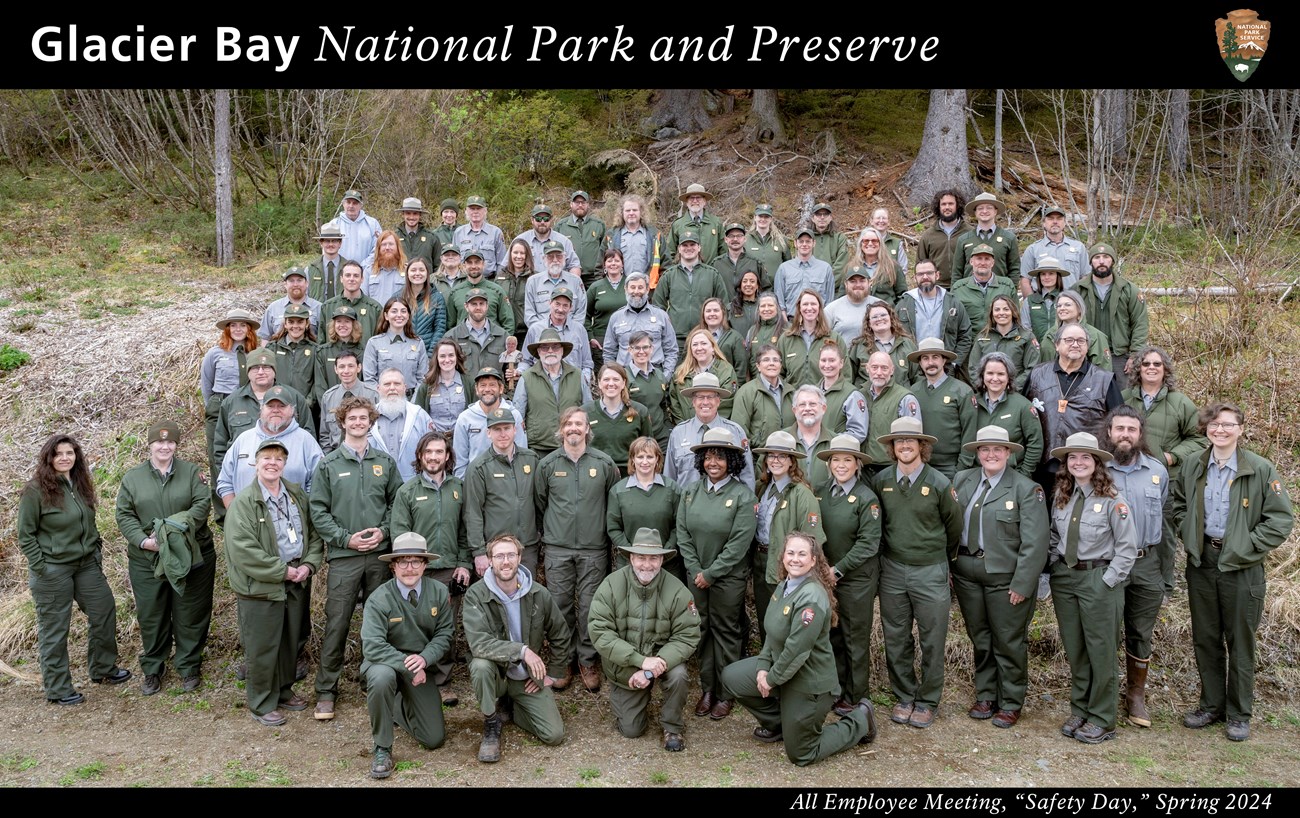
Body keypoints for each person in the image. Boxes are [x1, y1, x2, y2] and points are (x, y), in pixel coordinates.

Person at [1171, 402, 1294, 742]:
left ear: (1241, 429)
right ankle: (1211, 705)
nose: (1220, 430)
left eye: (1227, 424)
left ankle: (1239, 714)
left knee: (1240, 642)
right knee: (1206, 639)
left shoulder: (1260, 469)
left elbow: (1281, 520)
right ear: (1206, 429)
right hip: (1202, 563)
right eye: (1214, 424)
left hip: (1242, 567)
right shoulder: (1195, 464)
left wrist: (1244, 546)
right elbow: (1178, 504)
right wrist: (1189, 533)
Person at [721, 532, 876, 764]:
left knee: (802, 753)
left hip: (809, 681)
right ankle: (781, 725)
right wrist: (763, 667)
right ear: (783, 556)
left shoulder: (811, 597)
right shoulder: (786, 585)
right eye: (790, 553)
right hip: (783, 669)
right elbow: (773, 636)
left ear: (813, 560)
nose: (795, 559)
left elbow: (797, 651)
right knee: (732, 677)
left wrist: (770, 679)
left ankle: (860, 721)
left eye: (802, 554)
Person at [307, 395, 402, 720]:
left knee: (379, 624)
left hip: (379, 557)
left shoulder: (384, 462)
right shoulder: (329, 464)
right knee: (338, 622)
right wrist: (343, 538)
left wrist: (384, 532)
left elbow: (396, 502)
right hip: (345, 558)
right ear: (343, 422)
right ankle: (326, 690)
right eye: (353, 418)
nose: (359, 423)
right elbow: (317, 509)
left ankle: (372, 679)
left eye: (364, 418)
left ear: (370, 422)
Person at [19, 435, 130, 704]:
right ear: (49, 458)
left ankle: (102, 668)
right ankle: (58, 688)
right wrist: (41, 566)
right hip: (53, 570)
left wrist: (96, 551)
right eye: (58, 454)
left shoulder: (79, 484)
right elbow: (25, 535)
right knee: (55, 629)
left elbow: (88, 524)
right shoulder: (35, 490)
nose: (65, 458)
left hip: (85, 564)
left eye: (70, 453)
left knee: (103, 610)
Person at [952, 426, 1049, 730]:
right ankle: (986, 694)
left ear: (1009, 453)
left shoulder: (1025, 488)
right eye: (984, 449)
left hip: (1005, 577)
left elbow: (1035, 543)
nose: (990, 455)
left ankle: (1010, 701)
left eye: (997, 449)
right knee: (980, 638)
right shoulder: (962, 481)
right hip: (967, 573)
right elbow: (949, 525)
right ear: (977, 453)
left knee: (1008, 640)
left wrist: (1023, 583)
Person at [871, 417, 963, 729]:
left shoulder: (939, 483)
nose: (905, 446)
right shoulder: (881, 481)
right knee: (896, 636)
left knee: (932, 638)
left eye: (911, 441)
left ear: (922, 446)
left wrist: (938, 558)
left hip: (930, 570)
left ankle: (927, 700)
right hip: (893, 570)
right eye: (899, 441)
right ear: (892, 447)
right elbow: (879, 526)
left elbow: (954, 528)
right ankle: (905, 695)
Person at [224, 438, 323, 727]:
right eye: (266, 457)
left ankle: (283, 690)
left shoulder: (295, 495)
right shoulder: (244, 503)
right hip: (262, 587)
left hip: (296, 580)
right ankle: (261, 702)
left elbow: (313, 534)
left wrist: (308, 564)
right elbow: (243, 550)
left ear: (284, 464)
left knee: (290, 642)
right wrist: (282, 571)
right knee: (263, 646)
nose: (272, 463)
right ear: (255, 463)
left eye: (278, 458)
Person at [1048, 431, 1139, 744]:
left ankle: (1103, 718)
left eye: (1085, 457)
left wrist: (1107, 582)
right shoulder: (1062, 495)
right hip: (1066, 578)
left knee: (1100, 651)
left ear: (1097, 462)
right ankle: (1081, 708)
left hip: (1098, 579)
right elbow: (1053, 537)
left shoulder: (1113, 499)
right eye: (1072, 457)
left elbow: (1128, 548)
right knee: (1076, 648)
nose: (1078, 462)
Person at [114, 421, 215, 696]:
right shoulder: (132, 478)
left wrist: (174, 533)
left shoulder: (192, 472)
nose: (164, 447)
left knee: (190, 612)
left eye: (170, 442)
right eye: (159, 442)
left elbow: (201, 505)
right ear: (149, 445)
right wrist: (144, 541)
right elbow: (124, 514)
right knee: (152, 614)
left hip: (191, 554)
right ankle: (153, 668)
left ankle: (189, 666)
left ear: (176, 446)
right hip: (147, 559)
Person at [588, 527, 702, 752]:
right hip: (627, 664)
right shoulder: (610, 586)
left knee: (678, 674)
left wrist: (651, 669)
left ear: (662, 559)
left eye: (653, 558)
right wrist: (639, 661)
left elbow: (688, 635)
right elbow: (600, 632)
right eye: (641, 557)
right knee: (631, 731)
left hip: (661, 660)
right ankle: (634, 701)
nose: (647, 565)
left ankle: (672, 726)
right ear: (631, 557)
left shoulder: (678, 590)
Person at [463, 534, 572, 763]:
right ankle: (491, 723)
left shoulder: (538, 593)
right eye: (499, 555)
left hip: (525, 678)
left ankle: (515, 706)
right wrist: (522, 651)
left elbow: (560, 633)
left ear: (520, 557)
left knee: (554, 735)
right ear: (490, 560)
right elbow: (479, 643)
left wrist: (553, 673)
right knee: (480, 665)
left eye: (511, 555)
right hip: (498, 674)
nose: (505, 561)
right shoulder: (476, 594)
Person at [536, 407, 622, 691]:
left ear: (587, 429)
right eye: (568, 424)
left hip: (593, 549)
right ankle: (563, 661)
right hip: (557, 549)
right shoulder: (547, 465)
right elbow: (540, 503)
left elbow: (614, 504)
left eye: (579, 424)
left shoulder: (604, 463)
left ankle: (587, 660)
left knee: (589, 608)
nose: (574, 428)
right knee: (559, 608)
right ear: (561, 429)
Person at [676, 428, 758, 722]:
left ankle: (726, 692)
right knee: (702, 630)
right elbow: (682, 533)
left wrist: (711, 573)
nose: (713, 462)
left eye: (720, 457)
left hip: (727, 578)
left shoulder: (743, 496)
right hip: (696, 576)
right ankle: (708, 689)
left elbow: (739, 544)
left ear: (732, 462)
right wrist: (696, 570)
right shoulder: (689, 492)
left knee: (725, 632)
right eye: (708, 456)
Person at [360, 532, 454, 778]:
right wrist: (410, 666)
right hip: (385, 664)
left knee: (433, 738)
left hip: (420, 667)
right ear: (393, 566)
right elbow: (372, 646)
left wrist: (424, 659)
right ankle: (382, 747)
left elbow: (445, 634)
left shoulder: (439, 592)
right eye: (403, 561)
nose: (410, 568)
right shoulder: (379, 598)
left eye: (416, 561)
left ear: (425, 564)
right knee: (381, 678)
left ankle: (395, 705)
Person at [1100, 406, 1170, 729]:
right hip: (1109, 563)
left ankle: (1136, 695)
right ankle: (1103, 696)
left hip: (1147, 563)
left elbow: (1166, 526)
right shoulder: (1098, 469)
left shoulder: (1157, 471)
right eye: (1119, 429)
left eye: (1131, 429)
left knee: (1140, 632)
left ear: (1140, 434)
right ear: (1109, 432)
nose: (1125, 435)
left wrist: (1166, 575)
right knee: (1107, 631)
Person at [390, 430, 471, 706]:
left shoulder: (458, 488)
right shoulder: (407, 491)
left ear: (447, 456)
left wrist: (464, 564)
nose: (433, 457)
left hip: (449, 569)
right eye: (428, 452)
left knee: (445, 626)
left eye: (439, 452)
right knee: (416, 624)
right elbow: (400, 536)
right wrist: (411, 568)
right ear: (420, 456)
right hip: (417, 570)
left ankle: (442, 681)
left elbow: (464, 531)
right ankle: (413, 674)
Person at [813, 434, 882, 717]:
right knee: (833, 635)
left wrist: (837, 570)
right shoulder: (819, 492)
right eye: (835, 460)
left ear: (857, 465)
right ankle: (836, 689)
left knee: (855, 638)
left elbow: (868, 542)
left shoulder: (866, 498)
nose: (841, 465)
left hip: (854, 580)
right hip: (824, 579)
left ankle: (856, 696)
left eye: (847, 460)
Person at [749, 430, 826, 646]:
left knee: (787, 625)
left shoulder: (802, 494)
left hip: (789, 568)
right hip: (761, 562)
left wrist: (799, 573)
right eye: (771, 455)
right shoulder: (761, 488)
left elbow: (813, 540)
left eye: (782, 455)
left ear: (792, 461)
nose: (776, 460)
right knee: (767, 621)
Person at [1025, 323, 1124, 486]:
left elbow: (1118, 423)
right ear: (1057, 345)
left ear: (1087, 346)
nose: (1075, 344)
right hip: (1041, 470)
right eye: (1069, 340)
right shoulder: (1037, 374)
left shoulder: (1104, 380)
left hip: (1084, 471)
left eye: (1081, 341)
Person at [464, 407, 543, 576]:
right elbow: (473, 512)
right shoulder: (479, 467)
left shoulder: (532, 459)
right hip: (495, 549)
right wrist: (478, 552)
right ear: (488, 433)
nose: (502, 434)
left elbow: (540, 501)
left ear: (515, 430)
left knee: (526, 595)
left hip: (526, 547)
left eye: (507, 428)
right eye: (497, 429)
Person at [217, 385, 323, 507]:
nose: (276, 410)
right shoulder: (243, 440)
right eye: (270, 406)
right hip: (247, 521)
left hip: (292, 520)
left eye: (282, 406)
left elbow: (319, 484)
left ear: (292, 410)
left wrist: (303, 514)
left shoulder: (306, 441)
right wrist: (235, 515)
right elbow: (225, 483)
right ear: (261, 409)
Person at [1123, 345, 1206, 481]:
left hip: (1166, 478)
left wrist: (1171, 457)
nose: (1151, 367)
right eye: (1146, 364)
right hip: (1127, 475)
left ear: (1165, 369)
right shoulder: (1123, 398)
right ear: (1138, 369)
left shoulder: (1180, 402)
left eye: (1157, 364)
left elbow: (1198, 439)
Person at [606, 437, 684, 582]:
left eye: (649, 456)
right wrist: (632, 554)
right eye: (640, 457)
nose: (645, 461)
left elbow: (679, 525)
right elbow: (613, 527)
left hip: (667, 563)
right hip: (630, 563)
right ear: (632, 459)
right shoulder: (618, 491)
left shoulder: (672, 489)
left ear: (657, 459)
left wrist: (664, 553)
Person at [1074, 243, 1149, 389]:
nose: (1101, 261)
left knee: (1123, 399)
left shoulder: (1129, 290)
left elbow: (1140, 323)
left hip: (1120, 356)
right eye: (1097, 257)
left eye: (1106, 257)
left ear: (1113, 261)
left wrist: (1135, 355)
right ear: (1090, 262)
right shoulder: (1077, 290)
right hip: (1088, 354)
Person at [663, 372, 756, 490]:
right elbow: (670, 477)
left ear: (718, 401)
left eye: (710, 397)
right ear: (693, 401)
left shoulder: (735, 431)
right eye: (700, 397)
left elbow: (746, 475)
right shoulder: (678, 433)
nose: (705, 402)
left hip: (727, 505)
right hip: (687, 505)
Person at [202, 308, 259, 494]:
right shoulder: (215, 353)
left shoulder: (256, 353)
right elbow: (206, 383)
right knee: (217, 456)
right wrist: (212, 406)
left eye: (242, 325)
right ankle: (223, 513)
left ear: (249, 329)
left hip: (246, 405)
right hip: (220, 404)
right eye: (233, 325)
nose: (238, 329)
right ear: (227, 329)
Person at [961, 352, 1043, 477]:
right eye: (990, 373)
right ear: (982, 376)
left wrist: (1024, 473)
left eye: (1000, 374)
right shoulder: (971, 403)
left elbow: (1035, 444)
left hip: (1011, 474)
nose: (995, 378)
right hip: (975, 473)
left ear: (1009, 377)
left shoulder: (1023, 406)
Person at [513, 327, 592, 456]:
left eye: (555, 347)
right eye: (545, 347)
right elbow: (518, 417)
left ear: (562, 351)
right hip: (538, 448)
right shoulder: (527, 378)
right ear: (538, 352)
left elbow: (588, 410)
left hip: (573, 447)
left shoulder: (577, 375)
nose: (550, 351)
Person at [909, 337, 977, 479]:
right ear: (920, 363)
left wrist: (961, 468)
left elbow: (970, 431)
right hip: (920, 465)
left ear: (944, 360)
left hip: (951, 467)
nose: (931, 362)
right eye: (925, 358)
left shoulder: (962, 391)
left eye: (935, 357)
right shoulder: (913, 392)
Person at [895, 259, 973, 376]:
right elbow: (894, 335)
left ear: (937, 275)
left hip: (945, 369)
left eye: (929, 273)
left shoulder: (952, 302)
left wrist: (954, 363)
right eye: (920, 274)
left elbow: (965, 335)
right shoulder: (904, 304)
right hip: (913, 369)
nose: (925, 277)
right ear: (914, 277)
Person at [653, 228, 728, 349]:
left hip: (706, 338)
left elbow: (724, 305)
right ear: (679, 249)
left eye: (692, 244)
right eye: (685, 245)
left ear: (699, 248)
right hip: (676, 339)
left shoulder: (712, 274)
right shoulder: (669, 275)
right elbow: (657, 307)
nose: (689, 248)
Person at [451, 366, 525, 478]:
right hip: (476, 482)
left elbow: (522, 454)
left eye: (492, 385)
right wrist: (465, 488)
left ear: (501, 389)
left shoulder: (514, 415)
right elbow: (460, 462)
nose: (487, 389)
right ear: (476, 389)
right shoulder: (465, 418)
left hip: (508, 482)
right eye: (483, 385)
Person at [603, 271, 679, 374]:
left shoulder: (661, 316)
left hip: (655, 374)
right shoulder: (616, 318)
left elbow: (671, 351)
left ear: (647, 289)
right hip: (626, 375)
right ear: (625, 289)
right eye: (632, 287)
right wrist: (615, 376)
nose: (636, 291)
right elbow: (609, 352)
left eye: (640, 287)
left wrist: (665, 377)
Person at [368, 368, 435, 483]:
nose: (392, 388)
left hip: (414, 485)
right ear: (378, 388)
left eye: (397, 384)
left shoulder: (419, 415)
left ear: (404, 387)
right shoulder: (367, 416)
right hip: (375, 485)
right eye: (387, 384)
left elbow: (433, 450)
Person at [860, 351, 923, 474]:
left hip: (891, 468)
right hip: (863, 466)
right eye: (874, 367)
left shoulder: (905, 398)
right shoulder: (859, 395)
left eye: (884, 368)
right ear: (867, 369)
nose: (879, 373)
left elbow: (914, 438)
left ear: (892, 370)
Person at [730, 344, 796, 462]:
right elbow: (739, 431)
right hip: (758, 459)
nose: (771, 363)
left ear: (781, 365)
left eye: (775, 360)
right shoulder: (746, 392)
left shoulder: (791, 392)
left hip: (788, 457)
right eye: (766, 360)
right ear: (758, 366)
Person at [445, 286, 510, 403]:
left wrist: (506, 397)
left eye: (481, 303)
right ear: (466, 306)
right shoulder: (452, 337)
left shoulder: (502, 336)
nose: (478, 307)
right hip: (463, 400)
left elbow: (510, 372)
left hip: (495, 400)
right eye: (474, 304)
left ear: (487, 305)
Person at [967, 294, 1041, 393]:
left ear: (1013, 312)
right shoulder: (982, 337)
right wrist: (985, 387)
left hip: (1016, 393)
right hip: (987, 394)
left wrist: (1012, 387)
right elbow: (973, 368)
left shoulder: (1026, 336)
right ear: (992, 313)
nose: (1001, 313)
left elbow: (1033, 367)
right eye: (997, 310)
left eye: (1006, 309)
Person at [519, 285, 594, 382]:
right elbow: (525, 360)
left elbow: (587, 363)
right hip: (542, 383)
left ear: (571, 307)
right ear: (549, 303)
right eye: (557, 304)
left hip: (572, 384)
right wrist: (520, 371)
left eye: (565, 305)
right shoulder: (535, 329)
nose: (561, 309)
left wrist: (584, 381)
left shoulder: (579, 330)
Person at [583, 362, 652, 464]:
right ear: (599, 383)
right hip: (596, 473)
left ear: (624, 383)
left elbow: (648, 448)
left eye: (616, 379)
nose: (611, 383)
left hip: (630, 473)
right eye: (606, 379)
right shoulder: (584, 412)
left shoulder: (640, 411)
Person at [778, 289, 846, 390]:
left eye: (813, 304)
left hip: (825, 399)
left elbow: (845, 374)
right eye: (805, 304)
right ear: (799, 308)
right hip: (794, 400)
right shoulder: (786, 339)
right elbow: (778, 373)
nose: (809, 308)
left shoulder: (834, 338)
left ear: (819, 308)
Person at [670, 327, 740, 423]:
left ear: (713, 348)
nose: (699, 348)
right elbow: (674, 403)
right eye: (695, 344)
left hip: (716, 429)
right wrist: (685, 426)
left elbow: (727, 403)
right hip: (686, 430)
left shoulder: (726, 370)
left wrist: (706, 424)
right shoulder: (680, 372)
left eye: (703, 343)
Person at [317, 349, 379, 453]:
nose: (346, 371)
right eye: (341, 367)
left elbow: (379, 431)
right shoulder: (328, 397)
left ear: (359, 368)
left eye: (351, 366)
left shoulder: (373, 395)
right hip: (336, 455)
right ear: (336, 369)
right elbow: (325, 435)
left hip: (367, 453)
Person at [264, 303, 318, 421]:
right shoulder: (273, 348)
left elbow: (317, 381)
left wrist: (307, 403)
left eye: (300, 322)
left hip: (306, 409)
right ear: (285, 324)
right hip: (277, 407)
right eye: (291, 322)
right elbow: (267, 378)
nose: (295, 326)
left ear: (307, 324)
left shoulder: (315, 350)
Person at [364, 297, 429, 394]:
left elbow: (423, 378)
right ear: (386, 315)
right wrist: (382, 398)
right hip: (383, 399)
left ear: (408, 315)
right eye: (394, 311)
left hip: (412, 400)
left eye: (403, 311)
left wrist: (415, 400)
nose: (399, 315)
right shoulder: (374, 343)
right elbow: (369, 380)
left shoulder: (418, 343)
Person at [847, 301, 918, 388]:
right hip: (867, 399)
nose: (879, 319)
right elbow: (849, 378)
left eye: (883, 315)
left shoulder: (907, 344)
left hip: (900, 399)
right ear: (869, 323)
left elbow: (917, 377)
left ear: (891, 318)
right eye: (874, 317)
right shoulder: (859, 346)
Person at [952, 192, 1019, 283]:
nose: (984, 211)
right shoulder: (963, 240)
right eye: (980, 208)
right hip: (969, 293)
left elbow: (1014, 270)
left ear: (995, 211)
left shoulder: (1009, 238)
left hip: (999, 293)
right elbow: (957, 272)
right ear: (975, 212)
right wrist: (956, 294)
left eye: (989, 208)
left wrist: (1010, 292)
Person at [1019, 204, 1087, 295]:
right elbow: (1025, 280)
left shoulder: (1079, 247)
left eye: (1059, 218)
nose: (1055, 222)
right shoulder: (1033, 249)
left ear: (1065, 222)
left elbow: (1085, 277)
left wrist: (1080, 301)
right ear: (1044, 223)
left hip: (1071, 301)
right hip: (1042, 302)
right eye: (1050, 218)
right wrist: (1032, 304)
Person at [952, 243, 1019, 330]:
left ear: (992, 263)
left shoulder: (1007, 286)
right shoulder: (959, 288)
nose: (983, 263)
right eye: (979, 259)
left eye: (987, 259)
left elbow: (1016, 316)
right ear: (971, 262)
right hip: (969, 340)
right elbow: (952, 320)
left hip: (999, 338)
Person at [625, 330, 674, 449]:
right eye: (637, 348)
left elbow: (664, 405)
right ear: (630, 350)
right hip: (636, 437)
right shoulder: (623, 376)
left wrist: (667, 429)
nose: (641, 352)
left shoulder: (659, 375)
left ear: (652, 349)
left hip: (661, 436)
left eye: (645, 347)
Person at [1041, 290, 1112, 371]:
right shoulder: (1050, 334)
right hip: (1051, 381)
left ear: (1079, 308)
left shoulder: (1095, 336)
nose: (1062, 308)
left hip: (1083, 382)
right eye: (1059, 306)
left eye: (1067, 305)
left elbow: (1103, 371)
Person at [523, 238, 587, 329]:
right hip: (542, 335)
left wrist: (571, 330)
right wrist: (545, 332)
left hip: (570, 334)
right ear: (543, 258)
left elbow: (580, 313)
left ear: (565, 257)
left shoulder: (576, 281)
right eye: (550, 256)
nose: (555, 260)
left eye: (559, 256)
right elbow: (529, 316)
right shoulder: (533, 282)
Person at [774, 226, 835, 317]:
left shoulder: (825, 268)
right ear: (795, 243)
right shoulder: (784, 268)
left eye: (808, 241)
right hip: (791, 321)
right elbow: (779, 300)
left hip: (817, 322)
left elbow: (830, 301)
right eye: (801, 241)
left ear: (814, 243)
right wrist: (784, 321)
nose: (804, 244)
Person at [813, 341, 868, 443]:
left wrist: (831, 441)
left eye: (832, 360)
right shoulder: (812, 393)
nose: (827, 365)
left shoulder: (852, 395)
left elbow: (858, 433)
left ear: (841, 363)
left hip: (837, 453)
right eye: (823, 360)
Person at [313, 304, 367, 404]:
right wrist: (329, 406)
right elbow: (320, 386)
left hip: (358, 409)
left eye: (347, 321)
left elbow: (366, 382)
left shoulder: (364, 351)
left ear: (354, 325)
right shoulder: (323, 352)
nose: (342, 325)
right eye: (338, 321)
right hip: (331, 409)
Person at [321, 260, 383, 345]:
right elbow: (321, 342)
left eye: (356, 276)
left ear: (362, 279)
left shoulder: (375, 308)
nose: (351, 279)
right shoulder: (328, 307)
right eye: (348, 275)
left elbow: (380, 341)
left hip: (364, 357)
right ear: (341, 279)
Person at [554, 189, 608, 287]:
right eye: (577, 202)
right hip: (569, 275)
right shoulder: (561, 226)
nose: (580, 205)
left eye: (583, 202)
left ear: (588, 205)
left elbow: (605, 249)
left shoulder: (599, 225)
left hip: (594, 277)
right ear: (571, 204)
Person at [413, 339, 467, 434]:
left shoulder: (468, 383)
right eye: (442, 356)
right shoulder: (426, 385)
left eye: (451, 355)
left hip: (461, 439)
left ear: (457, 357)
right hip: (434, 441)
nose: (447, 360)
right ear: (436, 359)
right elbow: (418, 417)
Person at [585, 249, 628, 368]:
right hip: (601, 341)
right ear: (604, 265)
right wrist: (591, 338)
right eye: (609, 261)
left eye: (617, 260)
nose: (613, 263)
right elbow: (585, 315)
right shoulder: (596, 287)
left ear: (622, 264)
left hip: (627, 341)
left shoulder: (630, 285)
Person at [916, 188, 966, 288]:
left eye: (951, 204)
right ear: (938, 207)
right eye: (943, 204)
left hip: (964, 287)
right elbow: (920, 264)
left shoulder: (969, 233)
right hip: (937, 287)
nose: (947, 207)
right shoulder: (928, 236)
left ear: (958, 205)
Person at [605, 193, 661, 280]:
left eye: (635, 210)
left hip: (648, 287)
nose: (631, 213)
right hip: (620, 288)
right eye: (627, 210)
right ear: (622, 213)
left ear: (641, 212)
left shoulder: (655, 235)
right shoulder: (611, 236)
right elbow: (600, 265)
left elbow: (666, 264)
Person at [844, 226, 905, 305]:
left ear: (880, 244)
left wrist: (894, 314)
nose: (870, 244)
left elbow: (902, 296)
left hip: (885, 315)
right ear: (861, 244)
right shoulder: (851, 267)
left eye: (874, 241)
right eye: (866, 241)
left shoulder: (893, 266)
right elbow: (843, 295)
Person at [665, 182, 724, 263]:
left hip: (711, 273)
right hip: (685, 273)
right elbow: (669, 253)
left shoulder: (716, 223)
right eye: (691, 198)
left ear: (704, 201)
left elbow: (724, 251)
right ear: (686, 201)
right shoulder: (678, 225)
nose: (695, 201)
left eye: (698, 198)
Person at [516, 204, 581, 277]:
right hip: (528, 285)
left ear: (551, 219)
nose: (542, 222)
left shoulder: (564, 241)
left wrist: (571, 284)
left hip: (557, 286)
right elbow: (507, 266)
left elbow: (574, 266)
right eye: (538, 219)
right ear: (532, 220)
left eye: (546, 219)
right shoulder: (521, 240)